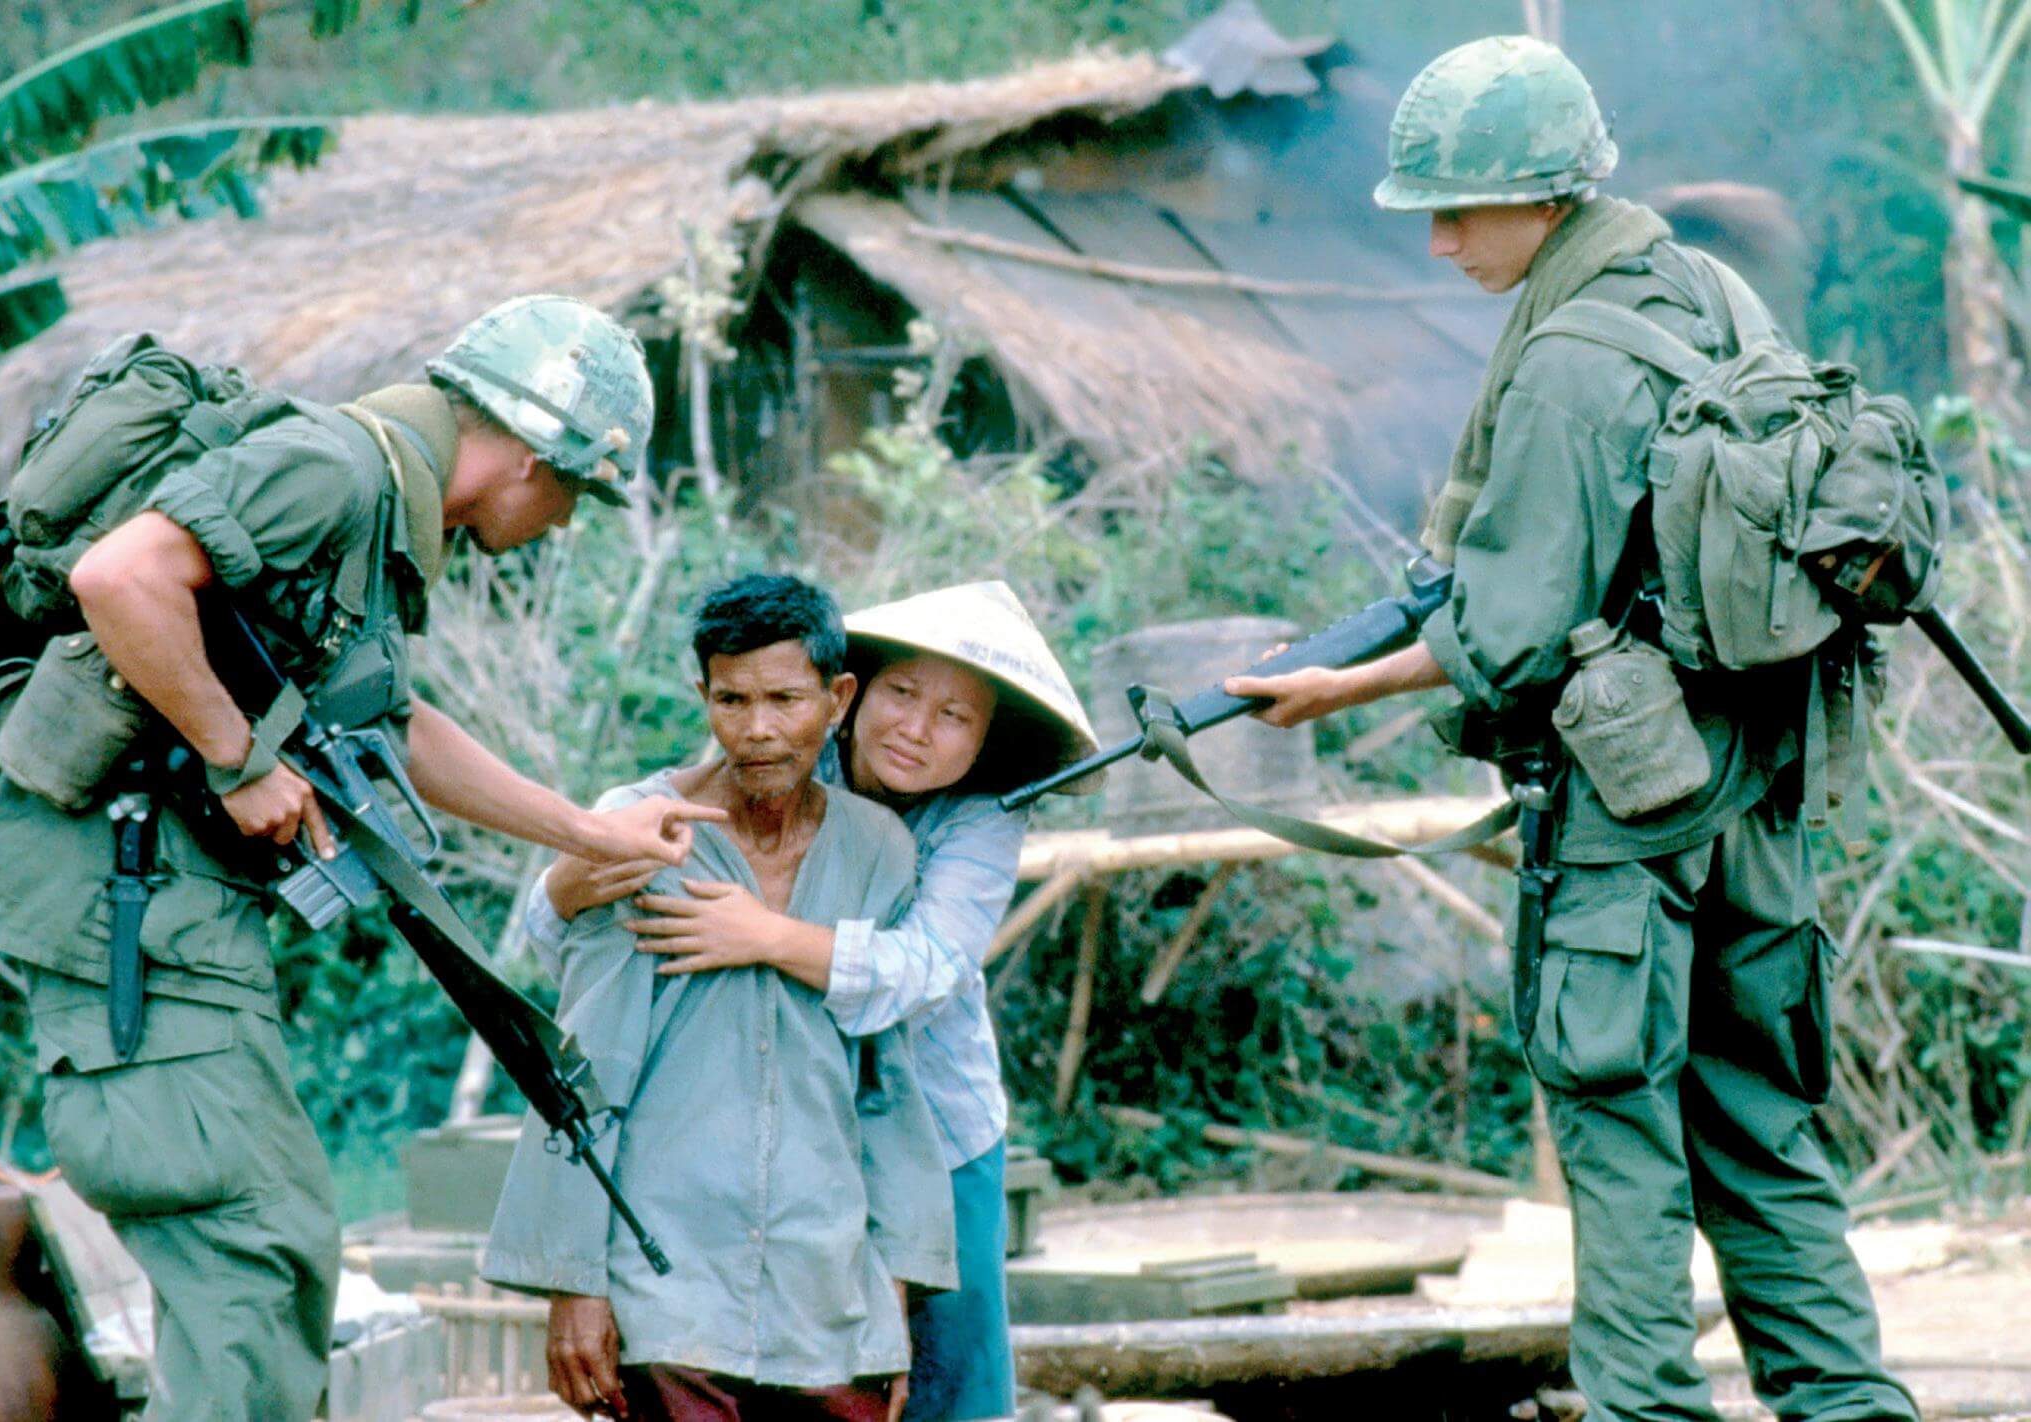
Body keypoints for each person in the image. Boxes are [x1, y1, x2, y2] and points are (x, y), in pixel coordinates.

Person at [1222, 37, 1917, 1422]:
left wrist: (1330, 684)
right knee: (1763, 1124)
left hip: (1630, 805)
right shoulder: (1708, 286)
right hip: (1763, 783)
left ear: (1540, 195)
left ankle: (1648, 1411)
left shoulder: (1567, 361)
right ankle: (1847, 1404)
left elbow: (1510, 628)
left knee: (1618, 1127)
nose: (1434, 242)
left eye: (1454, 210)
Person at [0, 295, 721, 1422]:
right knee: (255, 1268)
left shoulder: (373, 517)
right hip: (132, 921)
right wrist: (235, 755)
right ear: (528, 457)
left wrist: (590, 831)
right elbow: (123, 579)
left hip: (175, 925)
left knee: (275, 1260)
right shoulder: (336, 469)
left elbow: (392, 725)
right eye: (574, 493)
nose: (564, 521)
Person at [544, 580, 1100, 1422]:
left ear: (988, 739)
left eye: (954, 716)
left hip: (935, 1123)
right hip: (773, 1139)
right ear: (851, 694)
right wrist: (573, 875)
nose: (915, 729)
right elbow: (565, 932)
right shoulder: (781, 752)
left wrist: (764, 934)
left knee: (943, 1382)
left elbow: (925, 967)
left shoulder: (979, 819)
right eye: (903, 694)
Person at [482, 572, 959, 1422]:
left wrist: (888, 1293)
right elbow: (583, 1071)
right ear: (701, 694)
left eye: (784, 698)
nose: (759, 730)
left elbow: (886, 1084)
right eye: (731, 700)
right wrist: (575, 1284)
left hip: (829, 1293)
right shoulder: (641, 831)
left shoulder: (877, 849)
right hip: (669, 1287)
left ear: (837, 698)